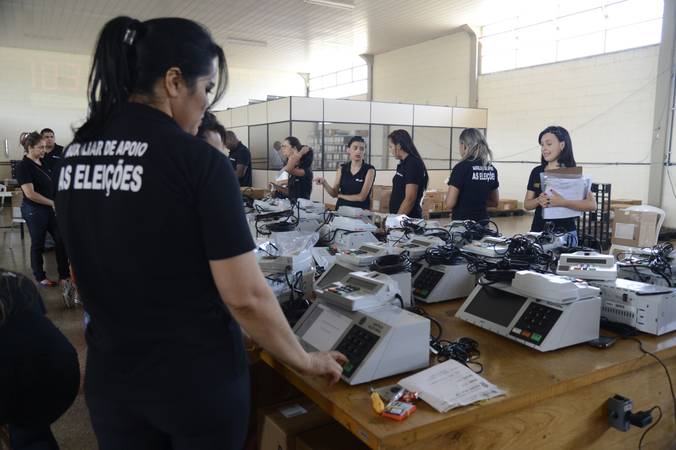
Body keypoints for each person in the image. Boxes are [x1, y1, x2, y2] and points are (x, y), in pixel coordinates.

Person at [55, 16, 345, 450]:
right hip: (192, 382)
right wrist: (303, 358)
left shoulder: (75, 156)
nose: (206, 106)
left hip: (112, 378)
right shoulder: (196, 161)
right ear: (174, 81)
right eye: (206, 89)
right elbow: (245, 295)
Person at [0, 269, 80, 450]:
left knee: (26, 422)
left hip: (24, 385)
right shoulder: (15, 279)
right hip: (65, 369)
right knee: (31, 428)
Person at [524, 125, 596, 246]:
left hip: (566, 235)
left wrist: (563, 202)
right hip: (539, 232)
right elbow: (527, 205)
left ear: (562, 145)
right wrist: (538, 200)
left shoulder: (573, 173)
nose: (544, 148)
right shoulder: (537, 171)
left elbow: (592, 205)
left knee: (561, 265)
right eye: (542, 145)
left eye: (549, 144)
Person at [16, 132, 71, 288]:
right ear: (30, 147)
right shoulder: (23, 167)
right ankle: (40, 277)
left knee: (61, 239)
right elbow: (30, 194)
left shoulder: (43, 161)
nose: (44, 150)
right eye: (40, 147)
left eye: (45, 147)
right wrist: (52, 203)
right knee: (38, 244)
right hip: (34, 210)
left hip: (49, 208)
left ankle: (64, 275)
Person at [445, 128, 499, 222]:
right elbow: (495, 202)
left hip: (463, 225)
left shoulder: (461, 168)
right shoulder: (491, 169)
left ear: (464, 145)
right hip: (483, 223)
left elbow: (450, 203)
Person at [314, 136, 375, 210]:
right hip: (341, 211)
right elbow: (334, 193)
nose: (358, 151)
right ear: (348, 150)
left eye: (362, 149)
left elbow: (361, 197)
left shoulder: (369, 170)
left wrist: (341, 196)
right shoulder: (342, 168)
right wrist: (324, 183)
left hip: (360, 213)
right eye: (355, 148)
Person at [388, 129, 428, 218]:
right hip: (400, 219)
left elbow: (410, 199)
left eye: (391, 146)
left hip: (408, 221)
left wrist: (395, 221)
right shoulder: (403, 163)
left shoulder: (412, 163)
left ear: (398, 146)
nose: (390, 150)